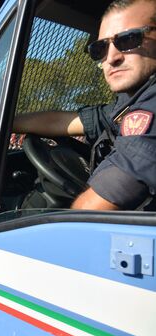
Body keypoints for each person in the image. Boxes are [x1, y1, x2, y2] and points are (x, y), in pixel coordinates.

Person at [14, 0, 156, 211]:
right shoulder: (131, 103)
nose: (111, 58)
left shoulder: (151, 107)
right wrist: (4, 123)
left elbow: (89, 211)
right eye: (100, 48)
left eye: (128, 39)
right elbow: (64, 121)